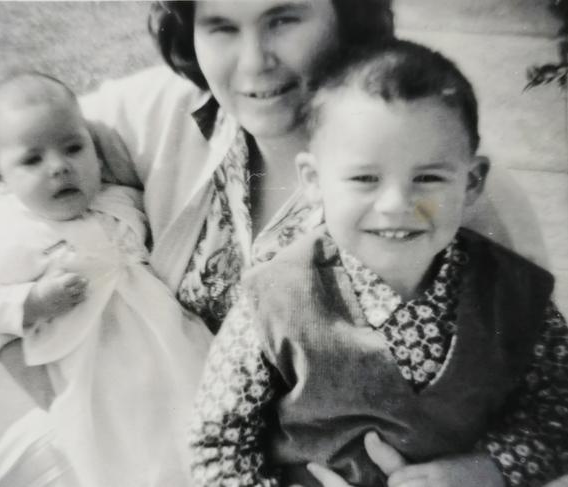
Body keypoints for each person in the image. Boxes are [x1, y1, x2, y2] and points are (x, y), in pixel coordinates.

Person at [0, 1, 555, 485]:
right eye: (221, 26)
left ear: (344, 15)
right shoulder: (164, 112)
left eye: (283, 19)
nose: (253, 64)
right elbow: (9, 156)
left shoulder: (452, 185)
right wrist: (61, 389)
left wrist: (481, 470)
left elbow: (537, 395)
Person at [188, 40, 568, 487]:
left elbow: (557, 409)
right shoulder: (272, 299)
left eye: (427, 177)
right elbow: (218, 443)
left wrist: (487, 469)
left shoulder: (513, 291)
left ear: (471, 181)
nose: (395, 204)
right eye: (365, 179)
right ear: (314, 180)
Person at [0, 73, 211, 487]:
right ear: (0, 178)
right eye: (32, 160)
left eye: (74, 148)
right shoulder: (12, 231)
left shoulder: (120, 201)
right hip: (96, 372)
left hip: (169, 344)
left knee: (195, 425)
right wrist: (32, 300)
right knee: (127, 457)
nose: (59, 167)